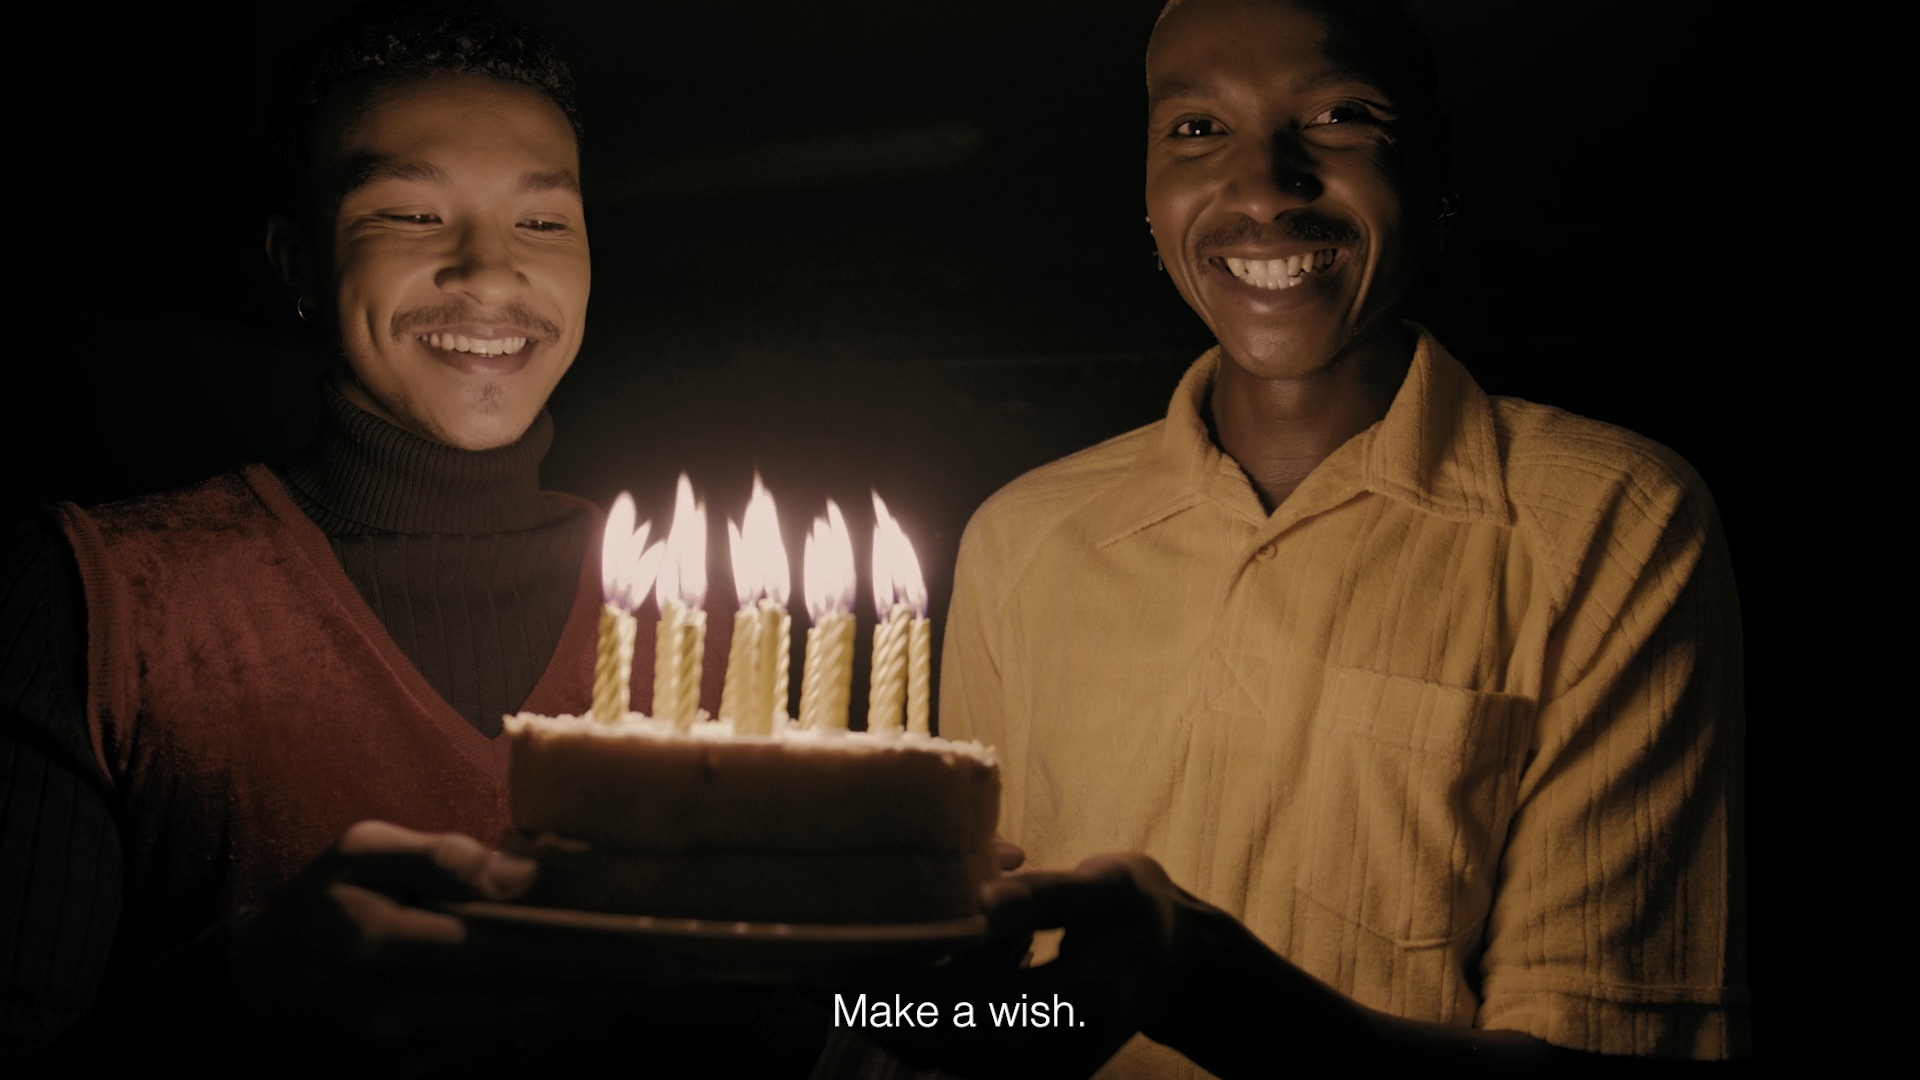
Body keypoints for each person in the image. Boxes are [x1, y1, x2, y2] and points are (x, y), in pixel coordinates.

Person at [925, 0, 1747, 1076]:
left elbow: (1616, 1054)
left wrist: (1212, 993)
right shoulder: (1021, 540)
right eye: (1195, 130)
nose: (1264, 186)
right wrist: (829, 1004)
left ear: (1436, 173)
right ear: (1146, 188)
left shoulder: (1608, 523)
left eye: (1340, 116)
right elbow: (958, 1028)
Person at [0, 4, 746, 1070]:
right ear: (299, 263)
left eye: (543, 223)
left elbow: (846, 1030)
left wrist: (1000, 1025)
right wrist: (239, 1001)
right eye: (407, 215)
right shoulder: (96, 601)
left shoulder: (730, 642)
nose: (490, 275)